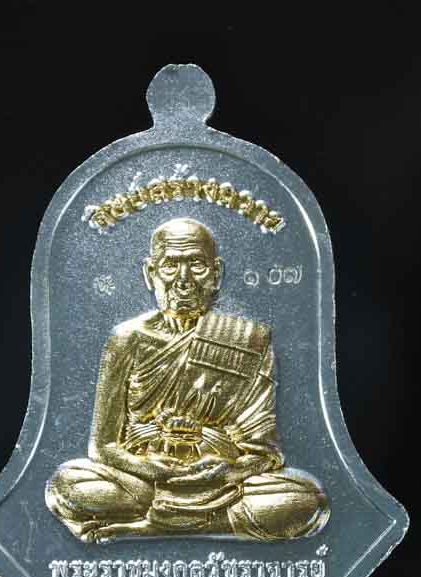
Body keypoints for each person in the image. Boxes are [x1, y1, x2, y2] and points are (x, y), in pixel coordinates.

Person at [46, 218, 329, 543]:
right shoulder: (127, 339)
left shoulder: (248, 340)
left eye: (196, 265)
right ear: (150, 273)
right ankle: (204, 522)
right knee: (68, 485)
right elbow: (104, 446)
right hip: (146, 482)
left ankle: (153, 525)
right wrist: (154, 469)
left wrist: (229, 469)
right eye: (170, 266)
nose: (183, 280)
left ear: (216, 274)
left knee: (306, 498)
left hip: (220, 484)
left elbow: (264, 452)